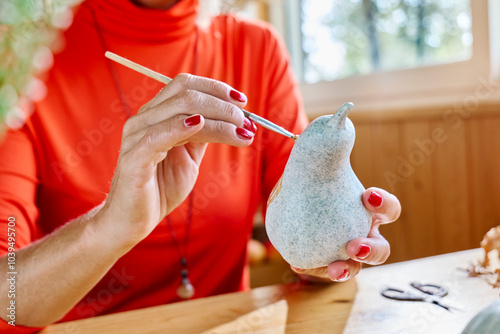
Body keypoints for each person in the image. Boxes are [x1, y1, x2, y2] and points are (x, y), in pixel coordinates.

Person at [0, 0, 401, 331]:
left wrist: (334, 253)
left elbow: (303, 244)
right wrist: (109, 227)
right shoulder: (23, 67)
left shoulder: (255, 48)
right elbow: (8, 300)